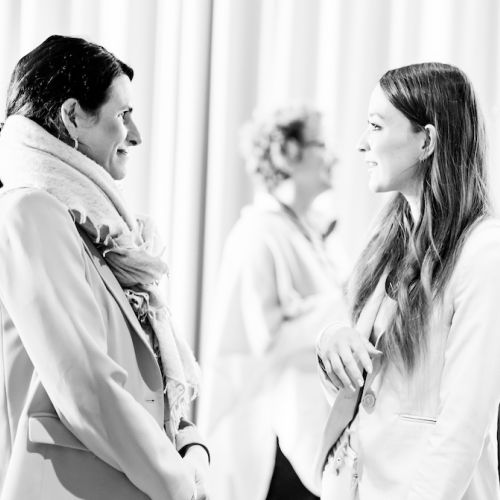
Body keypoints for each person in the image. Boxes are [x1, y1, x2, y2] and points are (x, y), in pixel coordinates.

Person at [0, 35, 209, 500]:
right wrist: (178, 484)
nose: (135, 134)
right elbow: (85, 385)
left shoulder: (97, 231)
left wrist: (192, 446)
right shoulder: (31, 212)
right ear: (73, 116)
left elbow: (140, 378)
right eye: (122, 114)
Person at [315, 62, 500, 500]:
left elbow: (462, 427)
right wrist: (332, 341)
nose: (361, 143)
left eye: (376, 126)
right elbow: (366, 395)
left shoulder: (483, 251)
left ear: (427, 141)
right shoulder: (387, 237)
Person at [199, 106, 350, 500]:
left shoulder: (317, 233)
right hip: (274, 440)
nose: (334, 157)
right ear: (287, 153)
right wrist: (347, 303)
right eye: (322, 145)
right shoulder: (257, 234)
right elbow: (268, 339)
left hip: (318, 430)